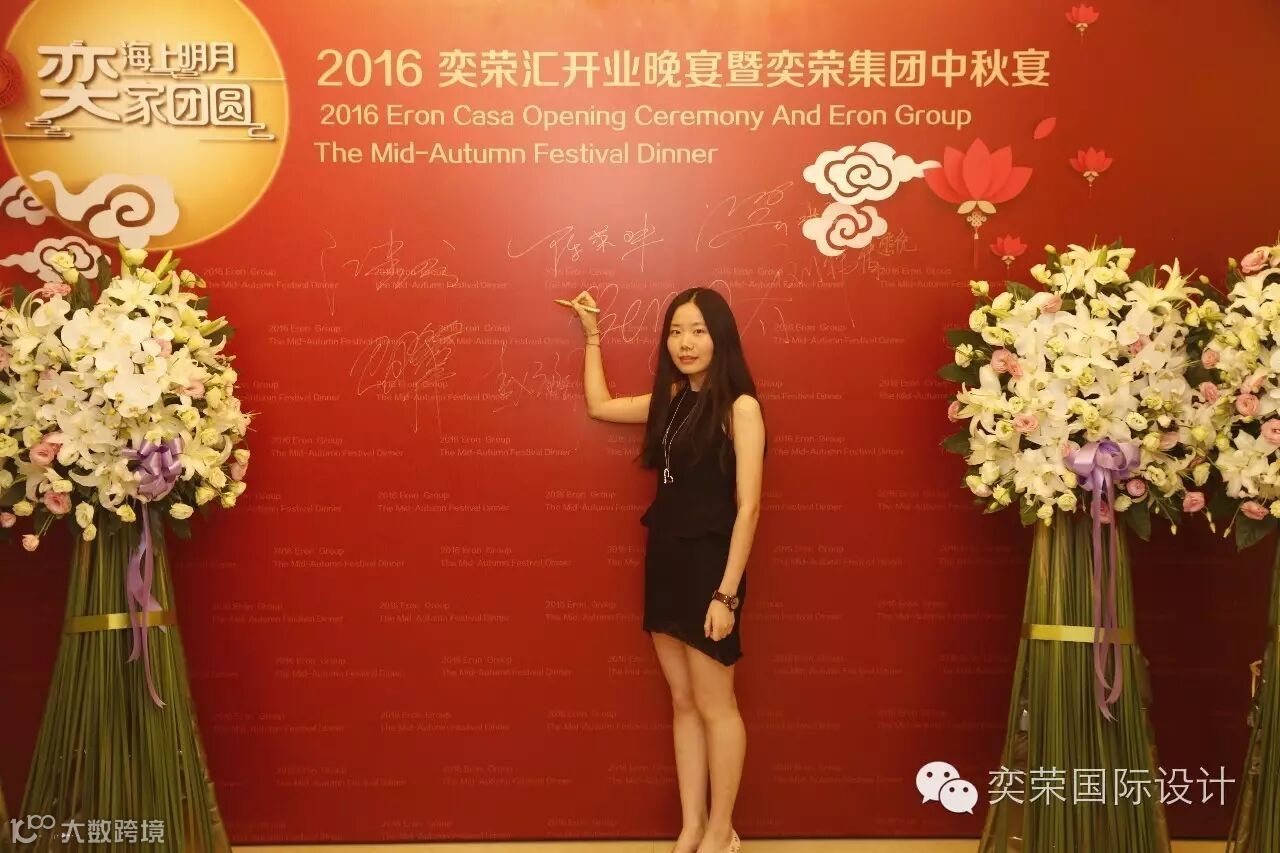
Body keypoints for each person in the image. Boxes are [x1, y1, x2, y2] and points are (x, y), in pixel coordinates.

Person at [563, 286, 766, 853]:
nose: (685, 342)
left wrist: (726, 595)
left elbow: (749, 507)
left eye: (698, 330)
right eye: (676, 332)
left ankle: (721, 830)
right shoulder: (673, 399)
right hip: (666, 561)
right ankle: (691, 826)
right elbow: (600, 407)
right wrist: (593, 336)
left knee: (716, 706)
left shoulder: (741, 408)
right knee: (682, 702)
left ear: (720, 337)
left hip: (711, 571)